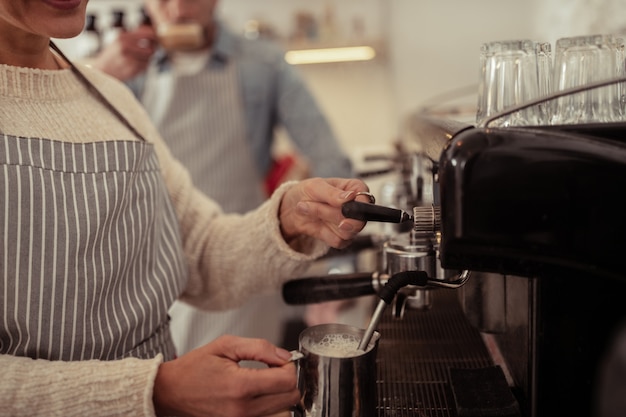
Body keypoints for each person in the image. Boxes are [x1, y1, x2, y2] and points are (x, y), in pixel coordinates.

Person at [0, 0, 370, 415]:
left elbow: (197, 248)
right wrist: (155, 389)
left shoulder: (109, 96)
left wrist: (286, 221)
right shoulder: (122, 74)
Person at [88, 0, 356, 354]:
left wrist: (340, 271)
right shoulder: (125, 69)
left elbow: (327, 159)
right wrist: (98, 77)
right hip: (156, 274)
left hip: (245, 263)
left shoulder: (262, 64)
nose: (179, 9)